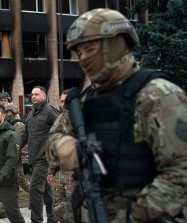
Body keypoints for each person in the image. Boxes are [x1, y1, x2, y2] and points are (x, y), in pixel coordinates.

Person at [46, 8, 187, 223]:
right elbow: (53, 139)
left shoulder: (158, 96)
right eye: (79, 53)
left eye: (90, 49)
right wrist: (64, 146)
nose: (83, 59)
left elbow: (180, 174)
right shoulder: (86, 100)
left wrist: (128, 216)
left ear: (116, 46)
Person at [21, 86, 60, 223]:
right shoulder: (31, 113)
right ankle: (52, 218)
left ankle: (36, 220)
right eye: (31, 94)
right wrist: (16, 148)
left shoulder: (50, 111)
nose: (33, 96)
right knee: (47, 191)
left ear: (44, 96)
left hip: (45, 159)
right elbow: (25, 134)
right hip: (35, 158)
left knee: (35, 189)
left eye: (36, 94)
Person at [0, 103, 31, 219]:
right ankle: (38, 196)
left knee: (14, 181)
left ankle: (3, 209)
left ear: (13, 112)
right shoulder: (8, 124)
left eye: (9, 112)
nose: (7, 114)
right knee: (20, 181)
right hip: (10, 157)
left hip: (15, 157)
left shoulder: (18, 124)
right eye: (6, 112)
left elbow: (16, 142)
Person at [46, 90, 76, 223]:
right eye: (62, 101)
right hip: (61, 173)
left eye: (67, 101)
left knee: (74, 208)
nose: (64, 104)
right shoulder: (61, 121)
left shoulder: (82, 121)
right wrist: (52, 171)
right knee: (58, 208)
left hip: (76, 174)